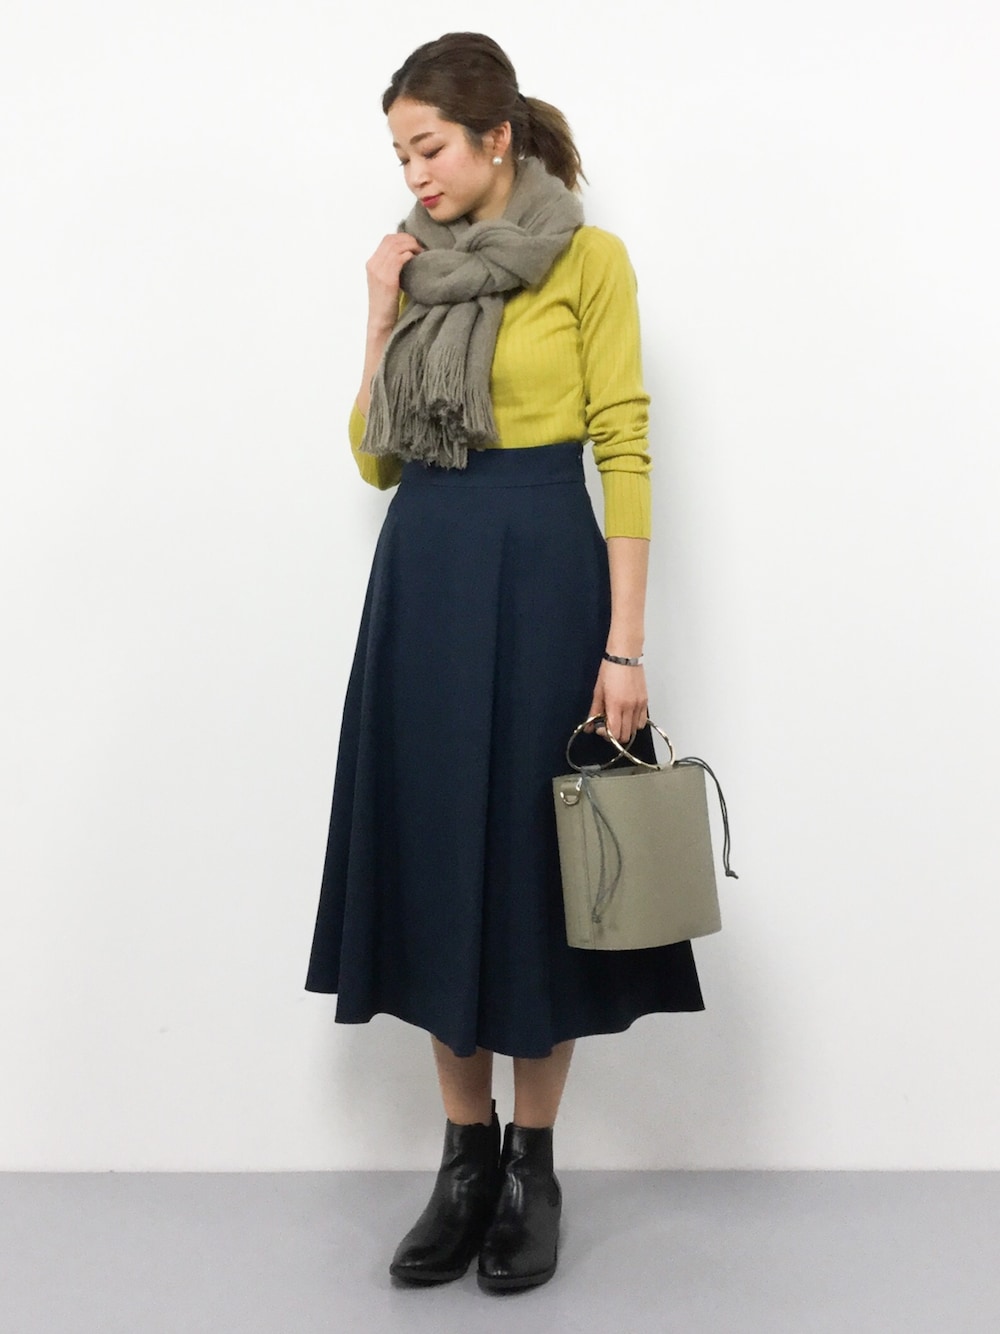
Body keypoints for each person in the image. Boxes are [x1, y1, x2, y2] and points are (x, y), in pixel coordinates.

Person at [305, 31, 705, 1292]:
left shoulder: (590, 261)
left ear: (497, 138)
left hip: (543, 575)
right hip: (425, 574)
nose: (413, 174)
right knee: (434, 853)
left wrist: (624, 646)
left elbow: (623, 446)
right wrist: (380, 311)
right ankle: (462, 1159)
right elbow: (375, 457)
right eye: (399, 155)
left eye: (428, 147)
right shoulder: (415, 265)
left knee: (538, 870)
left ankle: (534, 1163)